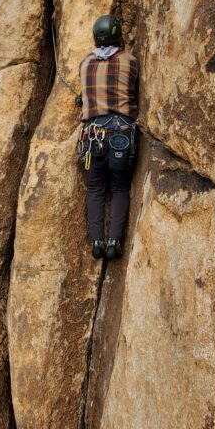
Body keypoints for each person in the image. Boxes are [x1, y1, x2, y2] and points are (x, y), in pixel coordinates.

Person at [78, 15, 138, 260]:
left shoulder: (84, 64)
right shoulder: (129, 61)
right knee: (120, 187)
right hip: (120, 134)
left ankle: (96, 243)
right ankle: (113, 242)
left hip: (92, 136)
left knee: (95, 189)